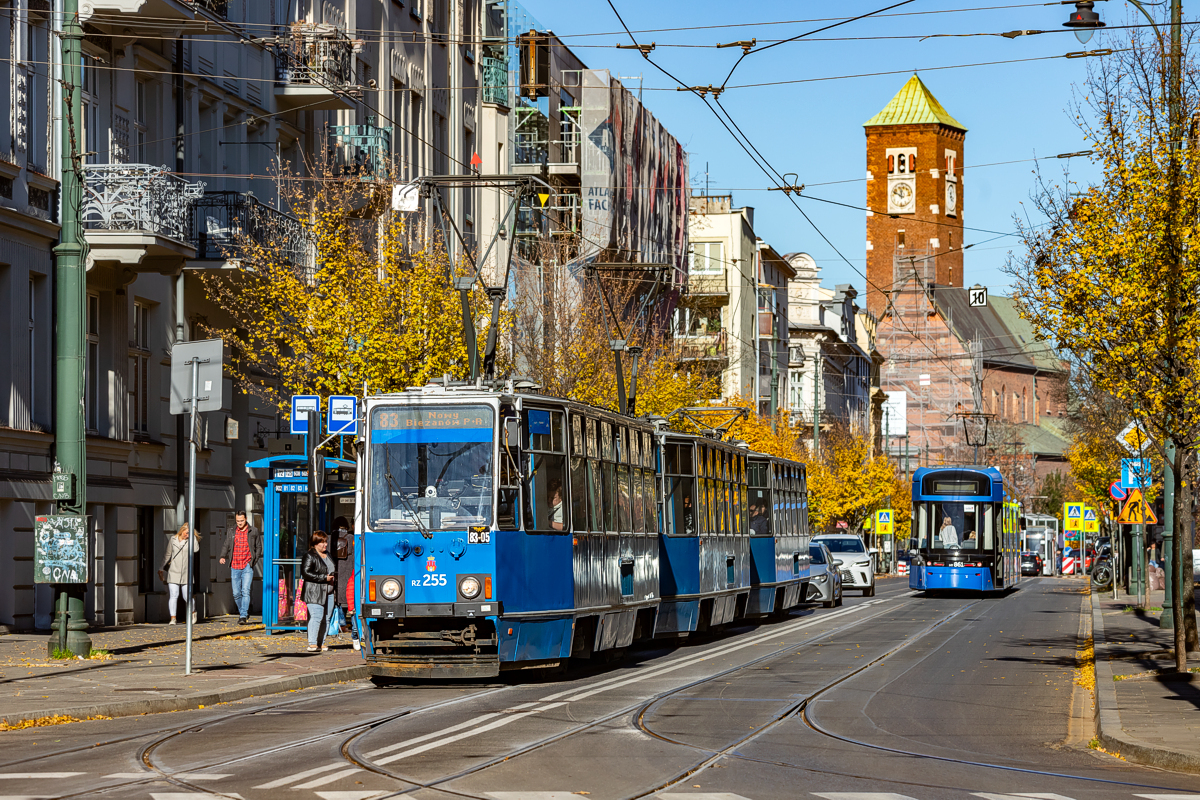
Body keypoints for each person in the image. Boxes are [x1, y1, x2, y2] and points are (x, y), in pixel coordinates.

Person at [219, 510, 262, 624]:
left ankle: (243, 616)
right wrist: (222, 556)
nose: (239, 523)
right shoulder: (231, 531)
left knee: (245, 591)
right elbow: (226, 544)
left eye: (242, 520)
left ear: (246, 519)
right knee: (236, 593)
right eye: (238, 521)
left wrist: (253, 561)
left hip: (247, 565)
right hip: (235, 565)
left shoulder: (253, 531)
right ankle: (243, 611)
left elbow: (258, 547)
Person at [301, 530, 336, 652]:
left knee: (327, 618)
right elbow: (305, 573)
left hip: (329, 591)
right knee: (317, 616)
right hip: (314, 592)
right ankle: (312, 643)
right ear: (315, 543)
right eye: (322, 542)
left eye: (326, 542)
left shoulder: (328, 554)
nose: (325, 544)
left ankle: (321, 642)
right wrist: (323, 578)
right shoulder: (309, 555)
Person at [160, 523, 200, 625]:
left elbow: (196, 549)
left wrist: (193, 537)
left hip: (186, 572)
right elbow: (168, 554)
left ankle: (193, 612)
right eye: (186, 533)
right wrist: (161, 568)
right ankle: (173, 618)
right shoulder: (173, 539)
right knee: (174, 595)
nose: (187, 535)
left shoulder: (190, 541)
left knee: (187, 596)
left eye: (189, 533)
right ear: (182, 531)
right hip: (174, 571)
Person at [332, 516, 360, 651]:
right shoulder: (352, 538)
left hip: (336, 573)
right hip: (350, 573)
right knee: (350, 599)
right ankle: (346, 625)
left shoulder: (330, 538)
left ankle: (340, 623)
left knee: (337, 600)